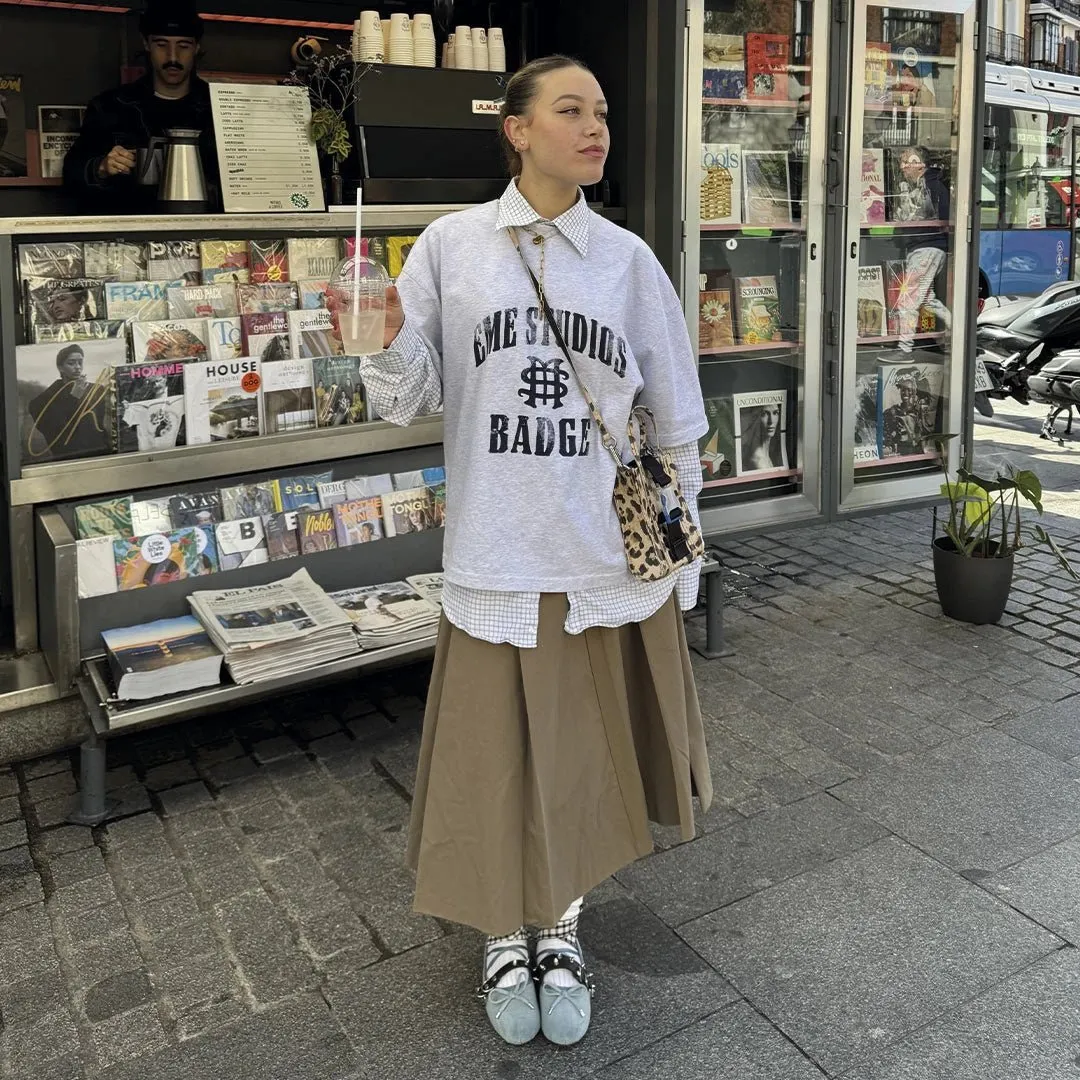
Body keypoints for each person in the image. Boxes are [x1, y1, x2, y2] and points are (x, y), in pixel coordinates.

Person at [358, 55, 712, 1048]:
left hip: (595, 552)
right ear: (515, 129)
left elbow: (676, 418)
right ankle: (499, 936)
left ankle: (560, 928)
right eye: (570, 110)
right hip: (494, 548)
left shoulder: (628, 261)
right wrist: (374, 341)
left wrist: (677, 533)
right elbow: (403, 397)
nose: (595, 127)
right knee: (493, 763)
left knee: (573, 762)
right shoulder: (449, 248)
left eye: (602, 111)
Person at [63, 0, 219, 208]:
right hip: (131, 233)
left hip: (210, 234)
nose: (173, 57)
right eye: (161, 45)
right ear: (146, 44)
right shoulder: (111, 106)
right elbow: (71, 174)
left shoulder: (219, 108)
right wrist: (100, 167)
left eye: (184, 46)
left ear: (197, 48)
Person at [891, 146, 952, 351]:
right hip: (931, 248)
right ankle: (958, 333)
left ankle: (904, 349)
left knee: (907, 300)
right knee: (927, 299)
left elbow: (934, 217)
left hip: (926, 248)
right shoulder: (927, 186)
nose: (903, 167)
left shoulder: (929, 187)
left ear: (920, 164)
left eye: (907, 162)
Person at [26, 344, 110, 460]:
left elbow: (99, 426)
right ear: (60, 367)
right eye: (71, 363)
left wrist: (108, 447)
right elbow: (54, 428)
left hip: (99, 453)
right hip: (68, 457)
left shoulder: (96, 390)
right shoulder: (43, 400)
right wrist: (73, 398)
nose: (77, 367)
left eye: (80, 362)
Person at [739, 402, 785, 472]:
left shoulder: (766, 453)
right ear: (756, 418)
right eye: (764, 414)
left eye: (775, 413)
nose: (771, 421)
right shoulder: (758, 462)